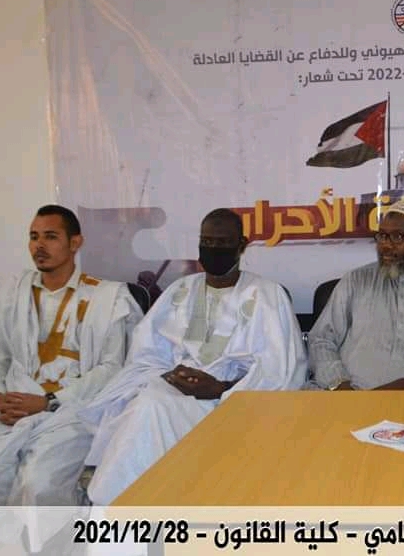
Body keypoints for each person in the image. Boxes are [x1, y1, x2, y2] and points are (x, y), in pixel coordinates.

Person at [80, 208, 307, 504]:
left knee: (148, 412)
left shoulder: (267, 294)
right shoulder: (180, 290)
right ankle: (126, 507)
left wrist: (221, 388)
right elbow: (145, 355)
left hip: (235, 404)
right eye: (207, 241)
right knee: (147, 404)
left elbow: (280, 372)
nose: (213, 249)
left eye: (222, 242)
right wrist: (172, 376)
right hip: (174, 392)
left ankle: (114, 507)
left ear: (242, 245)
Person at [0, 205, 141, 505]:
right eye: (33, 237)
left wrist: (48, 401)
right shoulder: (14, 294)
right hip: (10, 406)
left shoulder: (107, 298)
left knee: (37, 485)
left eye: (50, 237)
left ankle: (41, 535)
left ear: (75, 243)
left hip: (72, 409)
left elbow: (111, 367)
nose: (39, 245)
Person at [308, 199, 404, 390]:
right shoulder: (356, 281)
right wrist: (340, 384)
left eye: (397, 237)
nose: (385, 245)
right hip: (346, 396)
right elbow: (321, 340)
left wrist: (400, 390)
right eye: (382, 236)